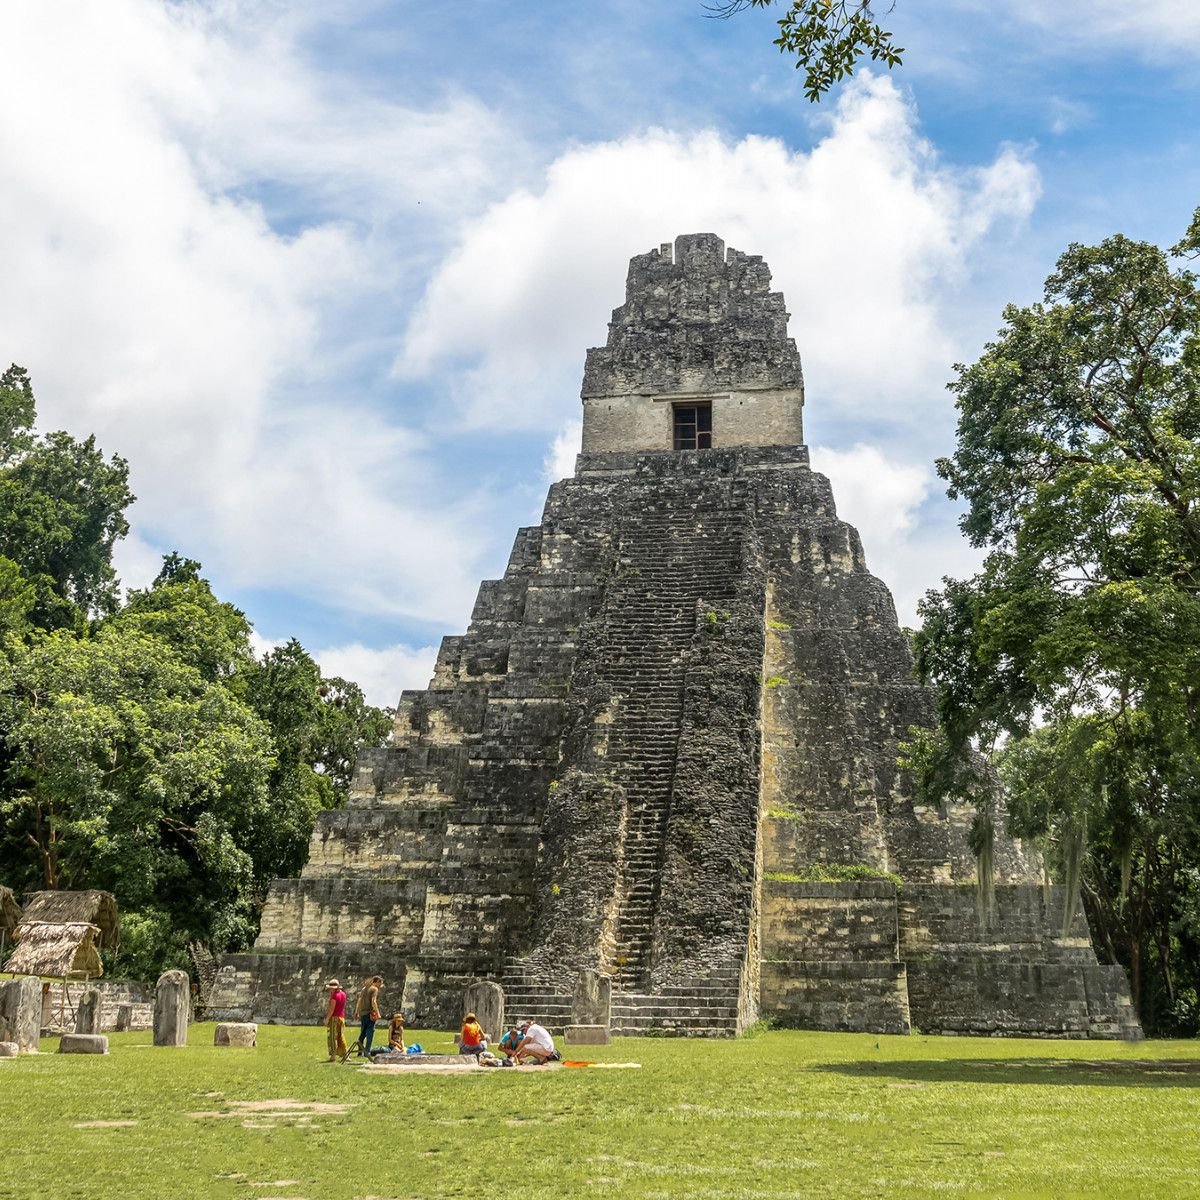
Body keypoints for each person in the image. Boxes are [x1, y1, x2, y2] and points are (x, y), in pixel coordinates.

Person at [353, 975, 383, 1056]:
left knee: (362, 1033)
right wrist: (378, 1013)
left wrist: (356, 1012)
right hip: (369, 1014)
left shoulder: (364, 989)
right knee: (370, 1033)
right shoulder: (374, 989)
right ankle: (367, 1051)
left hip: (363, 1014)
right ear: (377, 982)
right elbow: (373, 1001)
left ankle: (360, 1052)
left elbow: (359, 1001)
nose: (380, 986)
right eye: (380, 984)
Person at [324, 978, 348, 1062]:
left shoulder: (334, 996)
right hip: (342, 1017)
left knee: (333, 1036)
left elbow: (332, 1009)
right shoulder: (343, 994)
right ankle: (345, 1054)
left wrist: (327, 1019)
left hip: (334, 1017)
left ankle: (333, 1055)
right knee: (341, 1036)